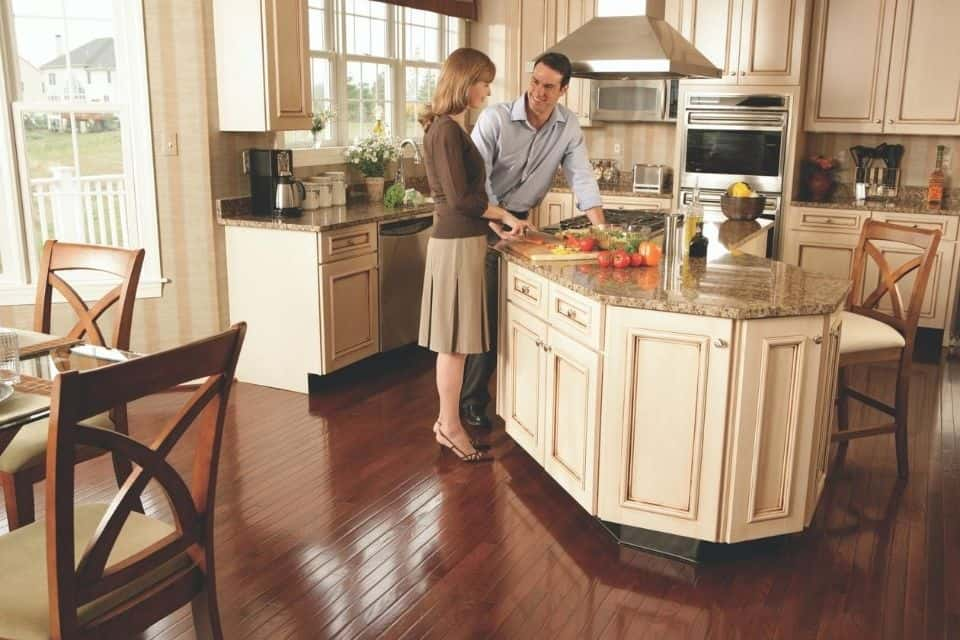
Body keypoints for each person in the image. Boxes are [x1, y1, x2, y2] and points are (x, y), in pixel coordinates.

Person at [460, 51, 605, 429]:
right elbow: (478, 178)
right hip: (482, 221)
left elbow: (581, 176)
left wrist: (601, 229)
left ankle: (522, 402)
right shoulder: (495, 119)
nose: (538, 92)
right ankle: (471, 401)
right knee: (488, 314)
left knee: (520, 313)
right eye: (535, 82)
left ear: (564, 89)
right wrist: (497, 221)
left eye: (549, 86)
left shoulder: (567, 126)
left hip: (520, 224)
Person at [418, 47, 533, 462]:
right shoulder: (447, 130)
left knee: (457, 345)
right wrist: (502, 212)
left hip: (463, 241)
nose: (487, 89)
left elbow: (465, 203)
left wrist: (495, 224)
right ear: (465, 82)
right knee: (453, 347)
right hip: (454, 248)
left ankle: (445, 423)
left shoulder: (445, 127)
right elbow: (462, 198)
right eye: (484, 81)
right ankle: (449, 426)